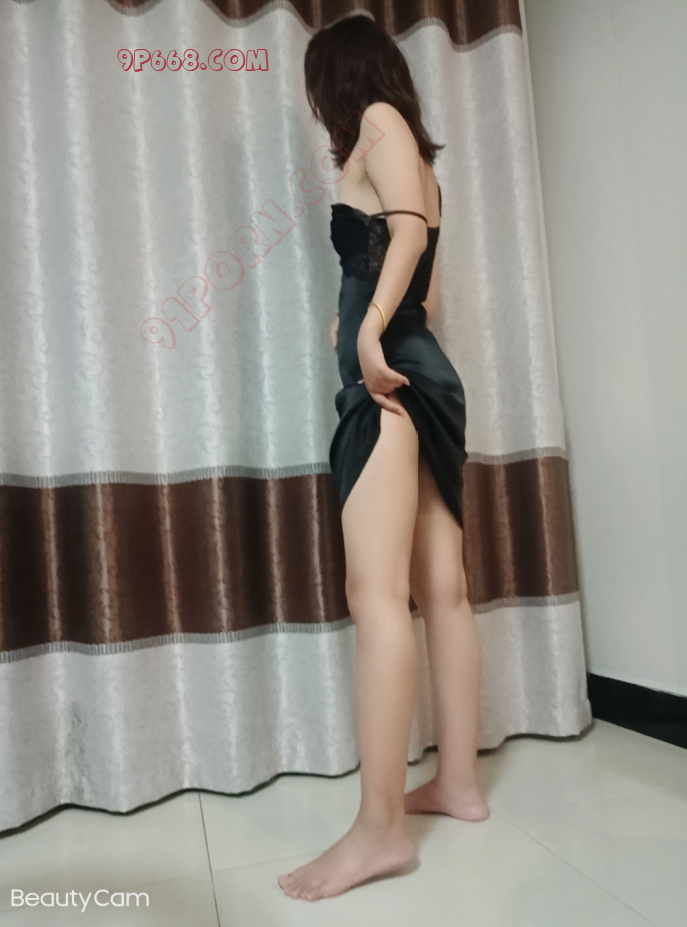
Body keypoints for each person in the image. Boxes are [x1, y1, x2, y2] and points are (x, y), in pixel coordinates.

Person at [278, 14, 488, 902]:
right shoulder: (419, 157)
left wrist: (363, 331)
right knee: (442, 587)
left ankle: (380, 830)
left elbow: (402, 241)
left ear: (336, 76)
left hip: (389, 381)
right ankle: (459, 783)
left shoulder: (375, 121)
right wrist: (363, 309)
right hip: (420, 371)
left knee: (376, 593)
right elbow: (420, 287)